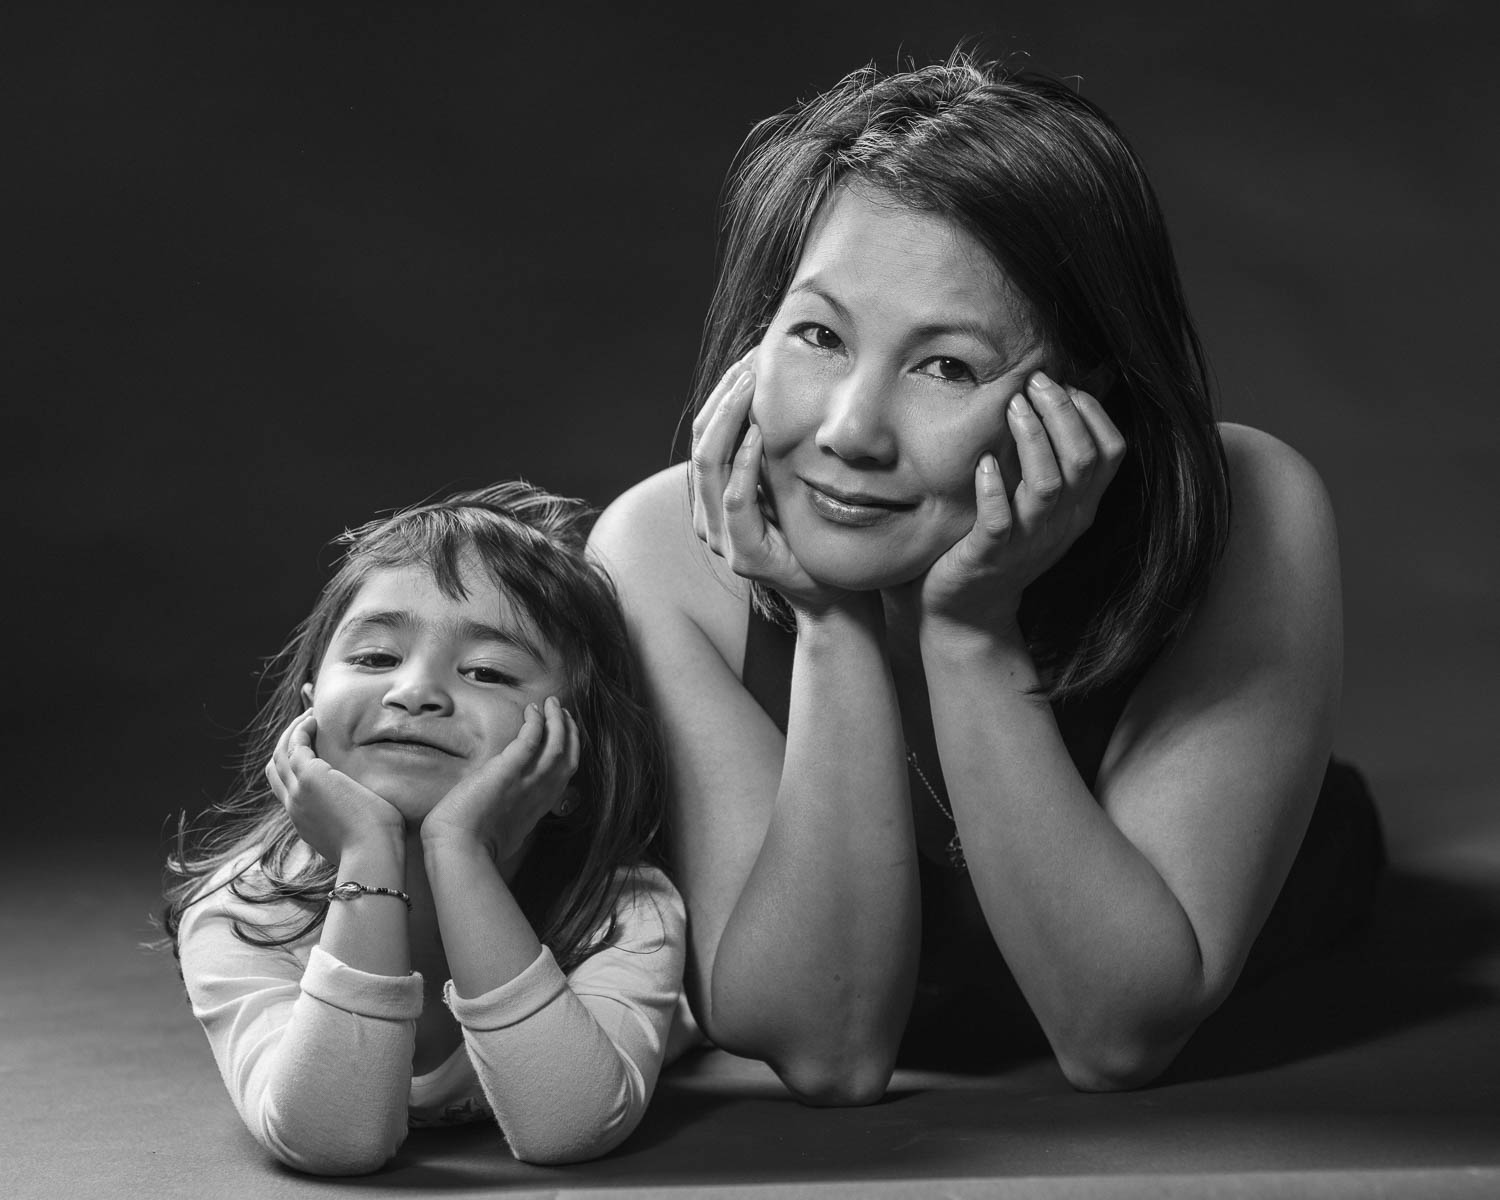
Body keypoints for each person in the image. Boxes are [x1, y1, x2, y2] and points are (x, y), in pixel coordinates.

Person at [588, 53, 1383, 1105]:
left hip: (1277, 909)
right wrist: (831, 629)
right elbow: (825, 1049)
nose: (850, 431)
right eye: (820, 335)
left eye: (947, 365)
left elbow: (1116, 1035)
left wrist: (970, 629)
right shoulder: (657, 547)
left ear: (1085, 392)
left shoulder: (1246, 505)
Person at [161, 482, 685, 1174]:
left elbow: (568, 1127)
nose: (415, 690)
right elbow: (332, 1138)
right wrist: (366, 851)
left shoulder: (620, 911)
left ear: (573, 766)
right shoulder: (241, 910)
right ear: (309, 719)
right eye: (376, 657)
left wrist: (460, 851)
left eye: (488, 672)